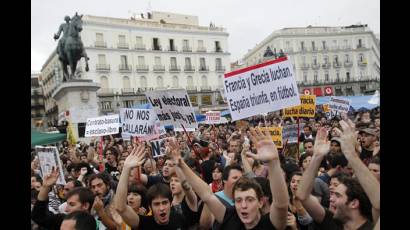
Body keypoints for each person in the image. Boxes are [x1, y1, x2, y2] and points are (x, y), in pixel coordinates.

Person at [172, 127, 289, 230]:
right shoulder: (231, 217)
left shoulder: (270, 223)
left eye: (249, 199)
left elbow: (281, 204)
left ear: (260, 202)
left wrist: (273, 163)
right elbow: (207, 195)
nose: (243, 205)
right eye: (238, 200)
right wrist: (181, 164)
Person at [296, 124, 378, 229]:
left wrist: (351, 154)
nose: (331, 199)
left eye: (338, 195)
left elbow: (378, 202)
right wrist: (317, 156)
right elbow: (302, 196)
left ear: (354, 203)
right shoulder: (333, 222)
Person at [114, 144, 188, 229]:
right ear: (150, 207)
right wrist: (126, 168)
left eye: (164, 202)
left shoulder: (179, 219)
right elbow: (120, 207)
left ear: (170, 203)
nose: (161, 208)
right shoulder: (143, 223)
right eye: (156, 204)